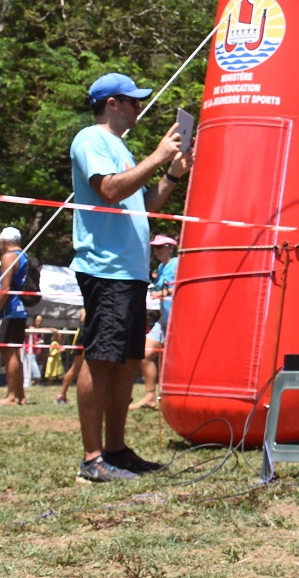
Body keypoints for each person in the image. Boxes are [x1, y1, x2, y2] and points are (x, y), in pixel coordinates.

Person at [69, 71, 192, 482]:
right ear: (112, 104)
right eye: (133, 100)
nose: (139, 107)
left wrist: (172, 174)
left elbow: (144, 204)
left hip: (130, 272)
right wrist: (157, 157)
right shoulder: (91, 139)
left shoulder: (120, 147)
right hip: (105, 268)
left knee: (125, 361)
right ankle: (92, 459)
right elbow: (109, 190)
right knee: (102, 358)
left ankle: (116, 451)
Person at [135, 234, 179, 410]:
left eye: (160, 247)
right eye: (155, 247)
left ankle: (172, 399)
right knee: (145, 354)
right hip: (163, 320)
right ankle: (150, 397)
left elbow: (180, 287)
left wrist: (162, 293)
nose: (156, 251)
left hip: (178, 321)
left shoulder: (177, 263)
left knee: (172, 362)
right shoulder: (161, 267)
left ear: (171, 248)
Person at [0, 226, 30, 406]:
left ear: (4, 242)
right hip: (20, 309)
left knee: (8, 351)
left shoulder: (9, 257)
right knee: (15, 352)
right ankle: (20, 395)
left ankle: (12, 396)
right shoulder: (25, 256)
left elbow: (5, 288)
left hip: (10, 309)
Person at [54, 308, 87, 404]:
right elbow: (83, 319)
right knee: (76, 367)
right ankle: (61, 395)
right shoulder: (88, 306)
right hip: (83, 337)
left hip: (89, 337)